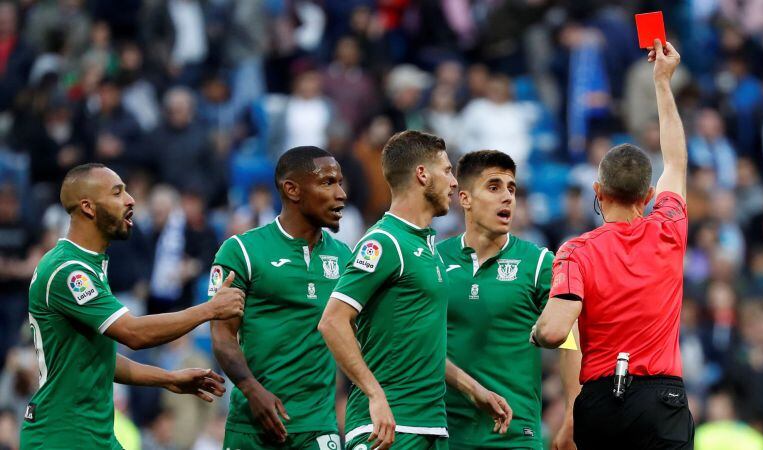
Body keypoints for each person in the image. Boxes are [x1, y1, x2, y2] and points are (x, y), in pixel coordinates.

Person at [532, 40, 693, 449]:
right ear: (649, 194)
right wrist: (662, 81)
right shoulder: (668, 229)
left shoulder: (576, 250)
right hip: (662, 401)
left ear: (598, 191)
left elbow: (552, 332)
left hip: (602, 404)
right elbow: (675, 160)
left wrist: (535, 331)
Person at [21, 163, 245, 449]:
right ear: (88, 207)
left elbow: (100, 359)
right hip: (61, 434)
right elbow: (134, 334)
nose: (131, 200)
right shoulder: (68, 271)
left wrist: (168, 378)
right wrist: (210, 309)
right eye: (117, 193)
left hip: (93, 432)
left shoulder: (89, 265)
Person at [318, 131, 510, 450]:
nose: (453, 182)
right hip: (387, 429)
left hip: (430, 426)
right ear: (422, 174)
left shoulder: (425, 245)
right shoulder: (384, 242)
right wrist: (374, 394)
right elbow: (332, 321)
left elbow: (422, 346)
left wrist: (474, 389)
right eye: (447, 171)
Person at [437, 150, 581, 450]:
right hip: (445, 434)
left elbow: (571, 336)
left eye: (511, 188)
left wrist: (571, 412)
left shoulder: (539, 262)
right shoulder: (434, 261)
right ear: (465, 199)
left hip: (516, 436)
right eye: (494, 187)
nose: (507, 197)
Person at [210, 146, 351, 450]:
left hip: (318, 426)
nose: (341, 194)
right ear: (292, 190)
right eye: (328, 182)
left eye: (339, 182)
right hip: (252, 425)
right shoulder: (241, 251)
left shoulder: (345, 257)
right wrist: (250, 388)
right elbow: (222, 336)